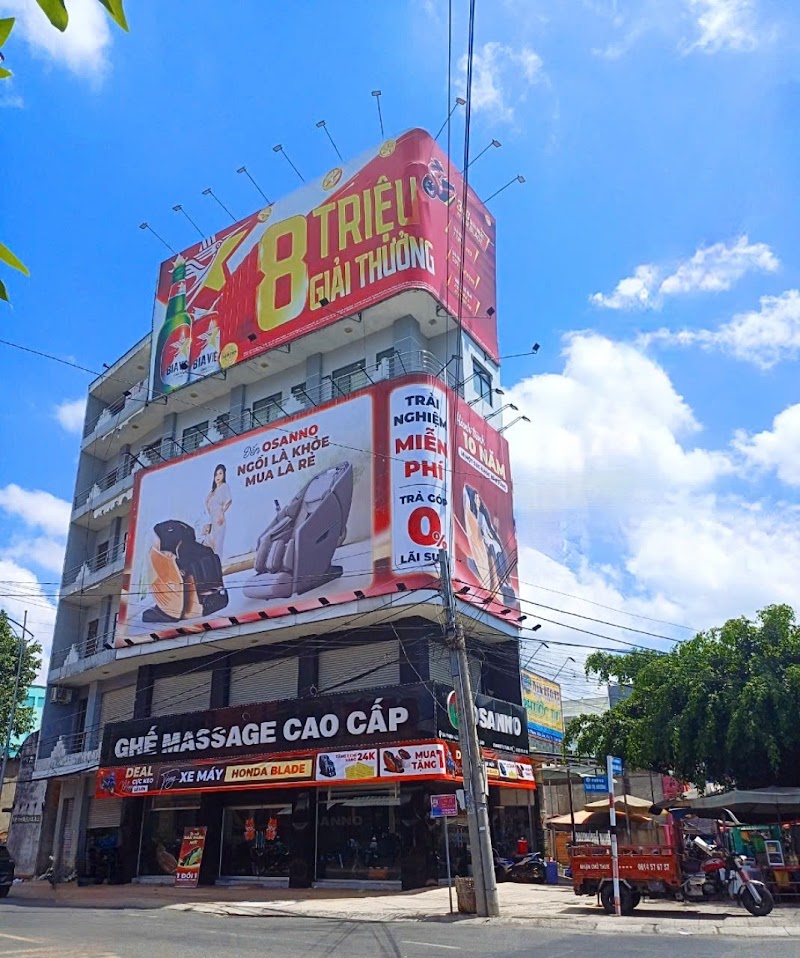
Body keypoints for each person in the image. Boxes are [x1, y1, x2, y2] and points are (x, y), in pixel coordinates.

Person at [203, 464, 232, 559]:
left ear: (224, 475)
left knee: (217, 545)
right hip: (212, 521)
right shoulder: (212, 492)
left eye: (220, 474)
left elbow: (228, 501)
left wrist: (222, 514)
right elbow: (207, 508)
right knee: (208, 544)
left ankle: (218, 565)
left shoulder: (224, 487)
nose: (218, 476)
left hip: (219, 520)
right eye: (216, 474)